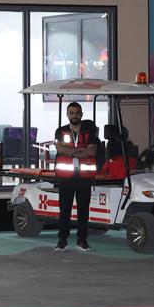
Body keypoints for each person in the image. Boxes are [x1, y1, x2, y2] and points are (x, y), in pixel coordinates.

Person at [53, 101, 101, 252]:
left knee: (83, 210)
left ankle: (82, 240)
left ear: (81, 114)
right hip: (66, 176)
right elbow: (59, 149)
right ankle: (62, 240)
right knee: (64, 210)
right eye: (72, 113)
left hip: (84, 177)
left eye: (77, 113)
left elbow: (92, 151)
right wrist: (80, 151)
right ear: (67, 114)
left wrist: (70, 151)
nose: (74, 115)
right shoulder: (60, 131)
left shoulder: (89, 132)